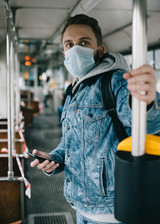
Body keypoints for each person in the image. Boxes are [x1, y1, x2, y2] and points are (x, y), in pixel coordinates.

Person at [30, 14, 160, 224]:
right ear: (64, 54)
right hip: (80, 208)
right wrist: (56, 158)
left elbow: (148, 126)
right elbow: (71, 142)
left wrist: (147, 101)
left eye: (84, 42)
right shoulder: (74, 90)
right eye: (69, 44)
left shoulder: (117, 82)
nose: (75, 49)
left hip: (114, 212)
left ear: (99, 50)